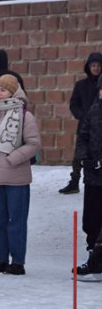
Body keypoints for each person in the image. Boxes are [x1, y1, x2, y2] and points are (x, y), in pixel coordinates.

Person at [0, 75, 42, 276]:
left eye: (3, 90)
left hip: (16, 177)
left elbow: (33, 144)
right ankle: (0, 259)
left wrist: (12, 158)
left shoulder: (25, 116)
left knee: (16, 221)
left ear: (14, 91)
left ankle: (17, 262)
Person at [62, 53, 102, 195]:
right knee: (79, 155)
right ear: (88, 67)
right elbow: (74, 104)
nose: (96, 68)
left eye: (98, 65)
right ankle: (74, 182)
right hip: (85, 126)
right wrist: (82, 116)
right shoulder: (81, 85)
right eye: (93, 65)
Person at [76, 75, 102, 281]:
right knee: (91, 219)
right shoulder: (93, 111)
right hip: (93, 176)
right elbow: (83, 137)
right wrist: (85, 158)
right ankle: (93, 257)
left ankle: (97, 261)